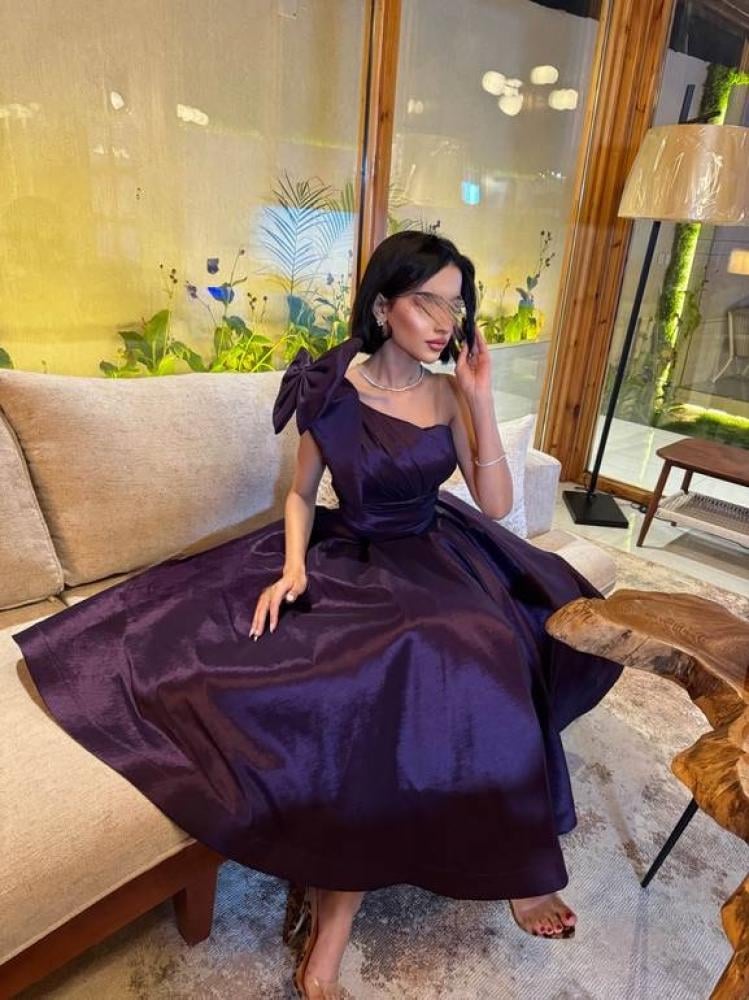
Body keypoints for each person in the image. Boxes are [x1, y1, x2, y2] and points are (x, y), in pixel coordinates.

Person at [13, 231, 623, 1000]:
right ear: (383, 306)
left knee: (487, 647)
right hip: (351, 554)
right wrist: (293, 567)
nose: (444, 320)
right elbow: (302, 494)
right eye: (426, 301)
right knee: (363, 673)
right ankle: (334, 923)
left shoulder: (446, 394)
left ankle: (516, 864)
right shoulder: (331, 388)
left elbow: (498, 505)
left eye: (455, 304)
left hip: (437, 551)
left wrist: (476, 396)